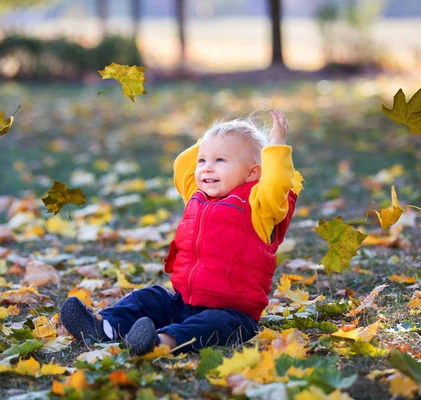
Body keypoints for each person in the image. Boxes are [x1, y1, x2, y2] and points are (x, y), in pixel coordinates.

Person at [60, 110, 303, 355]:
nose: (207, 168)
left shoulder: (259, 206)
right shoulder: (196, 196)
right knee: (150, 297)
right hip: (183, 302)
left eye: (220, 160)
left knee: (211, 326)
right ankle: (103, 327)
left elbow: (275, 183)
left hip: (232, 314)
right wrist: (211, 141)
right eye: (203, 161)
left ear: (252, 173)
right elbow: (182, 165)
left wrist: (276, 145)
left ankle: (160, 342)